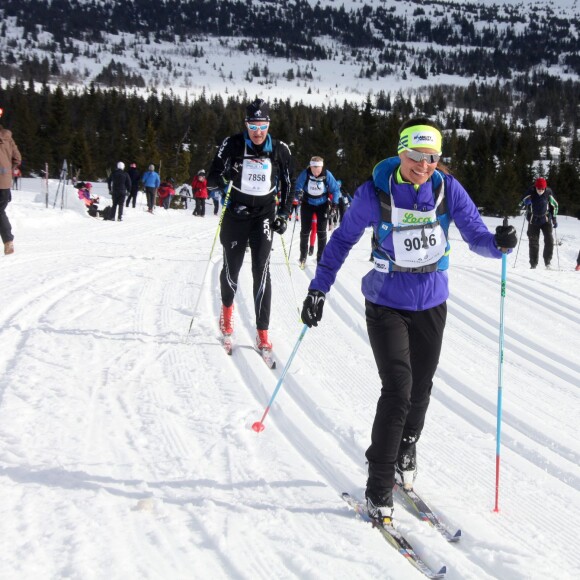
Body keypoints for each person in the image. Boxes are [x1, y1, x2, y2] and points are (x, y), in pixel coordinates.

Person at [300, 117, 517, 524]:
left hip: (432, 303)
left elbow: (476, 236)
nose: (423, 164)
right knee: (398, 390)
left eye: (431, 157)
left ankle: (406, 449)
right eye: (416, 156)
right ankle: (378, 486)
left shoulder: (446, 189)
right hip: (385, 303)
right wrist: (319, 288)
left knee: (421, 390)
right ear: (401, 152)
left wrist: (499, 243)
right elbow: (343, 239)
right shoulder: (375, 193)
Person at [207, 98, 294, 351]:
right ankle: (226, 314)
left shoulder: (280, 149)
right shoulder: (232, 144)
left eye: (262, 125)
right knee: (231, 268)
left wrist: (284, 214)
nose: (257, 132)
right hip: (236, 213)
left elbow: (289, 185)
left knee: (262, 271)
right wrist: (226, 182)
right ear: (246, 124)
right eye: (253, 125)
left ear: (269, 124)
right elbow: (213, 176)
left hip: (264, 215)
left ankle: (262, 332)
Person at [294, 156, 341, 267]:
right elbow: (297, 186)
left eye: (318, 170)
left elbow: (335, 189)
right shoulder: (305, 173)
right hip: (307, 204)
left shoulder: (327, 174)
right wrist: (298, 193)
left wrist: (335, 203)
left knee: (321, 232)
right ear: (310, 167)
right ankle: (303, 256)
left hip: (322, 205)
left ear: (321, 168)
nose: (316, 173)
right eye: (314, 171)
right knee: (305, 231)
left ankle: (320, 258)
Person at [521, 177, 559, 269]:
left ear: (545, 188)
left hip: (545, 219)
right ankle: (533, 264)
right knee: (533, 242)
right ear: (536, 187)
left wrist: (554, 218)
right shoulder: (531, 191)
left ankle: (547, 262)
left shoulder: (548, 192)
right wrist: (527, 201)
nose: (540, 190)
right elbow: (522, 201)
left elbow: (555, 205)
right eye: (539, 188)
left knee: (549, 240)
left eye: (542, 189)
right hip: (533, 220)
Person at [0, 106, 22, 255]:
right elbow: (17, 158)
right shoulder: (8, 137)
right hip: (4, 182)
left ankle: (8, 241)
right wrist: (7, 170)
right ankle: (8, 242)